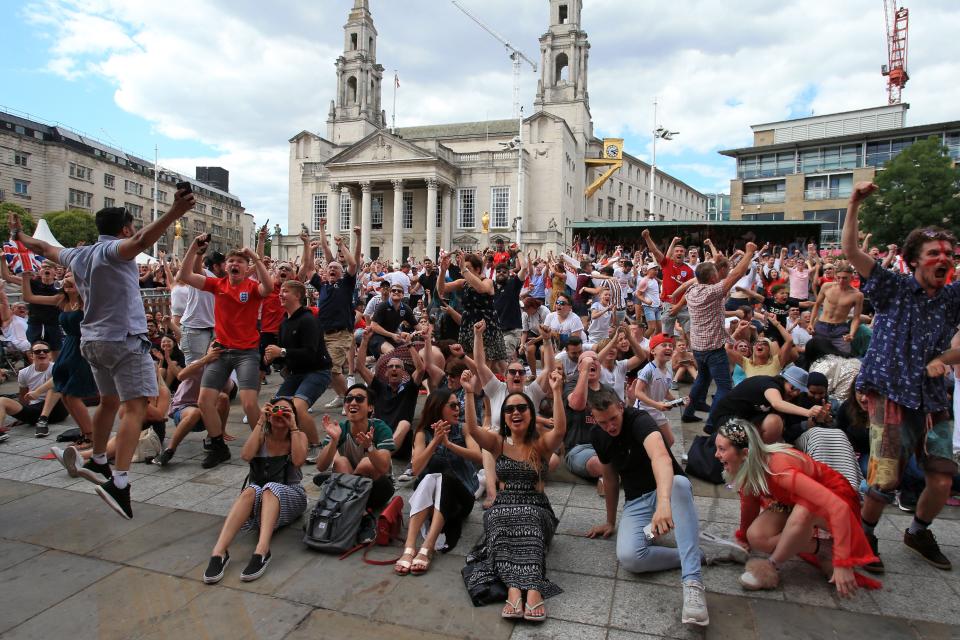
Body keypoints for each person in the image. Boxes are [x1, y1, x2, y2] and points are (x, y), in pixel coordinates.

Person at [10, 193, 193, 518]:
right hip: (122, 340)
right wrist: (175, 211)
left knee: (109, 402)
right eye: (131, 226)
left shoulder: (78, 254)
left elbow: (44, 248)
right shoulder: (114, 251)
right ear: (123, 229)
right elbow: (141, 239)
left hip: (92, 342)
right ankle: (118, 482)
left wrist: (19, 236)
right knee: (135, 408)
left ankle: (97, 460)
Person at [841, 182, 960, 574]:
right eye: (933, 254)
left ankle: (918, 531)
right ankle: (866, 533)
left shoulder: (952, 297)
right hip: (889, 394)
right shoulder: (893, 287)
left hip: (932, 399)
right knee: (885, 479)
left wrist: (944, 357)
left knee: (942, 478)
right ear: (913, 261)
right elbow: (852, 252)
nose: (943, 259)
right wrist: (855, 203)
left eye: (948, 254)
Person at [586, 386, 747, 627]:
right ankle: (701, 551)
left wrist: (663, 504)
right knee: (631, 558)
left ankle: (692, 582)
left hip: (669, 494)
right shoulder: (598, 436)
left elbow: (661, 456)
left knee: (679, 485)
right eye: (602, 422)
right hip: (639, 505)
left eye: (613, 418)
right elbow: (609, 478)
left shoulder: (639, 420)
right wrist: (610, 521)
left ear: (622, 406)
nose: (609, 426)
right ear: (593, 419)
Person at [715, 419, 878, 598]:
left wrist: (843, 562)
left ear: (745, 453)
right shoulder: (749, 467)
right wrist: (744, 538)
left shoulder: (780, 470)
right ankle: (823, 548)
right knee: (757, 536)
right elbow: (749, 504)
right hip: (795, 502)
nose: (716, 455)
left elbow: (838, 507)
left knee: (803, 512)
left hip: (838, 501)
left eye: (722, 449)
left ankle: (771, 565)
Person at [463, 369, 566, 623]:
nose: (516, 413)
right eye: (509, 410)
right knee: (496, 515)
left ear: (531, 414)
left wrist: (556, 392)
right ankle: (512, 587)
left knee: (528, 516)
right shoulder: (498, 443)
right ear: (504, 416)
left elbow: (561, 430)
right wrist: (468, 393)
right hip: (505, 504)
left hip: (536, 506)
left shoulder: (540, 445)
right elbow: (474, 431)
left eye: (522, 408)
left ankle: (532, 589)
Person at [178, 235, 274, 469]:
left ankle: (263, 447)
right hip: (221, 351)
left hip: (246, 352)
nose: (234, 264)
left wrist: (255, 258)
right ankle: (218, 445)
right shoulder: (217, 285)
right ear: (226, 266)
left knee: (249, 403)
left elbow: (269, 287)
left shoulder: (251, 288)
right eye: (231, 261)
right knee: (204, 401)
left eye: (240, 262)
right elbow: (185, 276)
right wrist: (193, 247)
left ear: (245, 267)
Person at [203, 397, 308, 584]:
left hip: (291, 496)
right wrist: (260, 421)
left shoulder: (298, 435)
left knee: (269, 488)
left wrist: (292, 426)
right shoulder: (261, 435)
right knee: (251, 490)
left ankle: (262, 550)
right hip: (261, 498)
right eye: (275, 410)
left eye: (285, 411)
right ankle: (219, 552)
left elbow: (299, 460)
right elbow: (246, 455)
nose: (279, 414)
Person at [395, 387, 482, 575]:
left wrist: (449, 444)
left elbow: (478, 456)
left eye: (458, 405)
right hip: (430, 501)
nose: (457, 409)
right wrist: (435, 442)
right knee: (428, 478)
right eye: (452, 406)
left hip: (461, 500)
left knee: (444, 478)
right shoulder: (422, 433)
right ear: (437, 408)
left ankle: (427, 546)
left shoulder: (462, 428)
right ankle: (409, 547)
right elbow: (415, 469)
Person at [680, 242, 757, 424]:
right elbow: (736, 274)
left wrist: (719, 263)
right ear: (713, 278)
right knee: (724, 387)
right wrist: (749, 253)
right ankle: (712, 423)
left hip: (697, 347)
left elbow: (720, 276)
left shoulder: (693, 290)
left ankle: (688, 412)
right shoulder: (713, 292)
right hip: (713, 350)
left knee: (701, 380)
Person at [20, 273, 96, 442]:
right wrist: (25, 277)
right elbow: (28, 297)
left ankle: (91, 436)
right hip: (69, 345)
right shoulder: (61, 299)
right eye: (66, 276)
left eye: (72, 277)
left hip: (82, 348)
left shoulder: (88, 300)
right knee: (65, 395)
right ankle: (85, 433)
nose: (67, 280)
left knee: (73, 396)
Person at [264, 279, 332, 463]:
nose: (280, 294)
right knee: (275, 408)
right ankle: (285, 442)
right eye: (281, 291)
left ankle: (316, 446)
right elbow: (284, 352)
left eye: (285, 291)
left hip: (318, 371)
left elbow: (310, 352)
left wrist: (282, 352)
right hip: (297, 373)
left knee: (299, 406)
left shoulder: (308, 320)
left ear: (298, 296)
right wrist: (273, 357)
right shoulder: (284, 321)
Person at [302, 225, 362, 408]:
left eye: (336, 267)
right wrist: (311, 250)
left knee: (333, 369)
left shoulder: (346, 284)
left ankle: (349, 401)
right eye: (330, 268)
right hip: (322, 334)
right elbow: (309, 269)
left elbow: (352, 264)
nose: (333, 269)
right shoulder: (323, 286)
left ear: (342, 273)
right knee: (326, 368)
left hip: (340, 333)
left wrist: (342, 245)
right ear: (326, 273)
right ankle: (340, 395)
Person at [314, 383, 396, 509]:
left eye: (359, 399)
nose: (353, 402)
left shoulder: (380, 428)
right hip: (348, 478)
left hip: (377, 487)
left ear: (370, 408)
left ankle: (343, 499)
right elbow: (320, 466)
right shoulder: (339, 429)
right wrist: (334, 441)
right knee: (340, 462)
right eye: (348, 399)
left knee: (366, 463)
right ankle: (352, 506)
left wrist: (369, 447)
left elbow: (384, 467)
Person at [708, 367, 825, 444]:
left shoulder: (789, 396)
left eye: (799, 390)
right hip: (725, 419)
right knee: (774, 421)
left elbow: (787, 427)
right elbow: (777, 403)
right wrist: (808, 412)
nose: (794, 393)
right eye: (792, 388)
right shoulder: (770, 385)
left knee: (775, 422)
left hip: (746, 420)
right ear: (783, 380)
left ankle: (757, 454)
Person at [439, 252, 507, 370]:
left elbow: (480, 288)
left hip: (486, 326)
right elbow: (441, 289)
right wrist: (443, 271)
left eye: (468, 268)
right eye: (464, 268)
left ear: (478, 269)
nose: (464, 270)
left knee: (485, 366)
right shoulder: (463, 283)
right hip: (468, 326)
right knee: (471, 365)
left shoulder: (488, 282)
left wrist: (464, 270)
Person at [0, 341, 68, 436]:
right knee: (1, 401)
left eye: (45, 351)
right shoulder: (23, 373)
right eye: (37, 351)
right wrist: (21, 414)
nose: (42, 353)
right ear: (31, 356)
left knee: (56, 385)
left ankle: (43, 420)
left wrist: (37, 392)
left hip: (57, 409)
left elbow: (58, 380)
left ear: (50, 355)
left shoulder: (57, 367)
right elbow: (23, 395)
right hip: (34, 410)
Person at [633, 333, 682, 448]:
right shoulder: (648, 369)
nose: (668, 348)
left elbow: (665, 392)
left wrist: (678, 401)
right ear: (653, 351)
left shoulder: (669, 371)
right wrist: (657, 404)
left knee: (669, 441)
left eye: (670, 346)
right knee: (645, 443)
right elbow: (637, 392)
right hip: (643, 411)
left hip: (657, 411)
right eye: (664, 345)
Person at [642, 231, 693, 336]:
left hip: (683, 306)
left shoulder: (689, 270)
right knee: (666, 335)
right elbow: (655, 251)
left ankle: (690, 352)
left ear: (685, 254)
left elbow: (690, 291)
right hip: (668, 305)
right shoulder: (666, 264)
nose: (679, 253)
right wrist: (647, 237)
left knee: (690, 334)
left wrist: (678, 306)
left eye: (681, 251)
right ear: (673, 254)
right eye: (677, 251)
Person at [808, 263, 864, 356]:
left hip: (840, 329)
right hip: (822, 326)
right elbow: (817, 305)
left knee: (843, 357)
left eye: (845, 278)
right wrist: (811, 323)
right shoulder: (827, 286)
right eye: (839, 277)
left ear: (851, 278)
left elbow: (856, 317)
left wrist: (852, 334)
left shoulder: (857, 295)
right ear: (835, 276)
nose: (841, 280)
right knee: (817, 356)